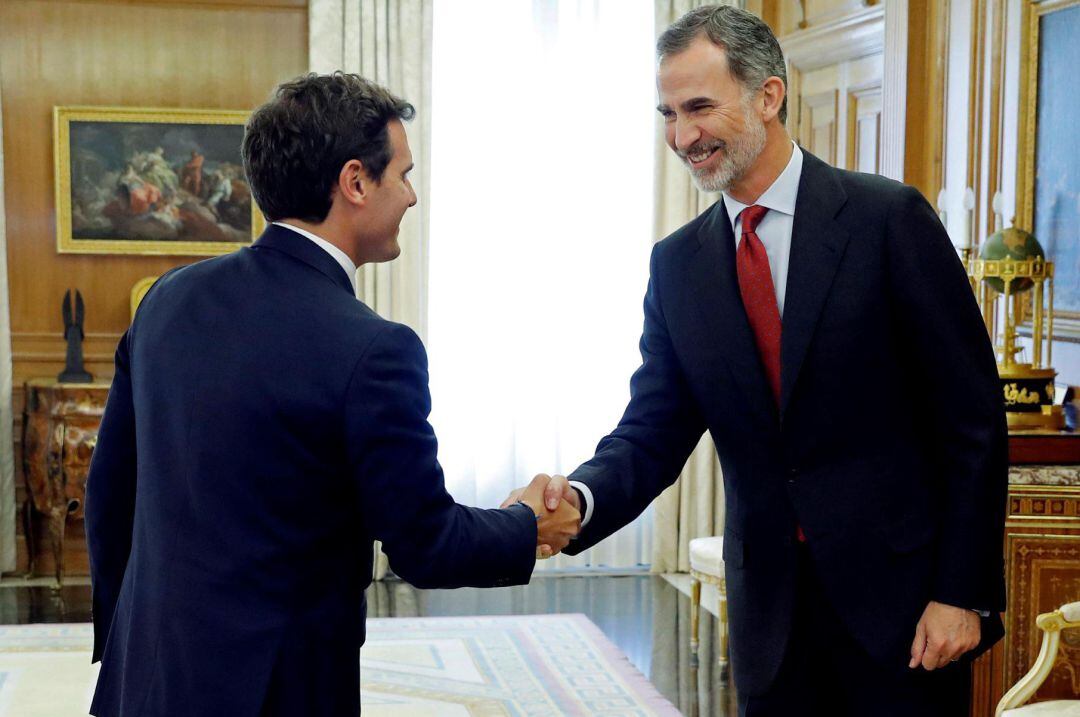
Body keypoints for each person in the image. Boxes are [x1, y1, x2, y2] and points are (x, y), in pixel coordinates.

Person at [508, 6, 1007, 715]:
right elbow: (651, 432)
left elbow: (973, 424)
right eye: (669, 114)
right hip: (771, 618)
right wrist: (577, 501)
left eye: (700, 107)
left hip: (902, 609)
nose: (683, 136)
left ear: (768, 96)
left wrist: (961, 592)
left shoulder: (888, 220)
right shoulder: (678, 265)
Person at [85, 72, 579, 717]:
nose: (412, 195)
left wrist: (124, 634)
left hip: (146, 674)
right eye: (401, 174)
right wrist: (528, 525)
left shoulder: (166, 300)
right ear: (354, 182)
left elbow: (110, 489)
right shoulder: (373, 349)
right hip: (278, 689)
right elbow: (425, 544)